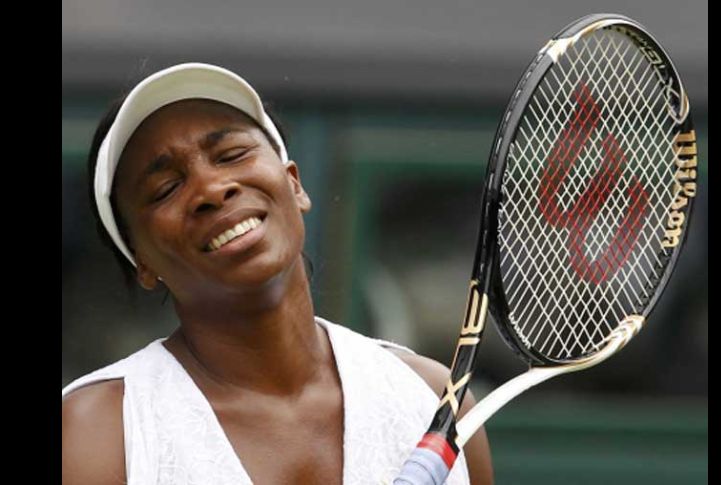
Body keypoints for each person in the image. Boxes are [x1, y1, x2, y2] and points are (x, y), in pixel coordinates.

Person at [61, 62, 493, 484]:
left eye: (232, 155)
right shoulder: (96, 433)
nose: (212, 189)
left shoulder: (433, 398)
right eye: (166, 189)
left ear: (294, 184)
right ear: (143, 263)